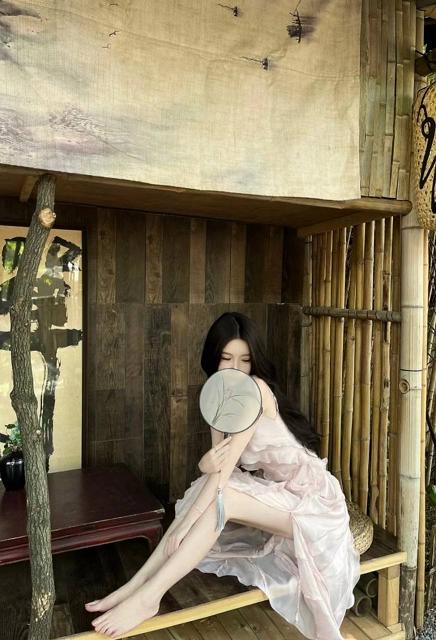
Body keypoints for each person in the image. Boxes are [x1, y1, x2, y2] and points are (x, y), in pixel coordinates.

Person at [85, 312, 361, 639]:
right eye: (227, 358)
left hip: (313, 504)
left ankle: (149, 598)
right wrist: (205, 465)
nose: (235, 368)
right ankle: (134, 586)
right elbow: (218, 466)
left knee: (221, 498)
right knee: (208, 488)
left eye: (245, 360)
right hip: (280, 492)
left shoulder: (255, 390)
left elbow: (225, 474)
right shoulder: (217, 392)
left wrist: (184, 526)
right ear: (214, 357)